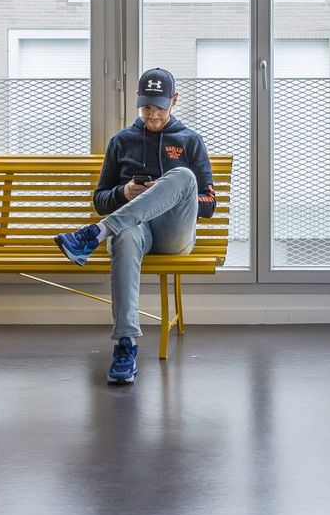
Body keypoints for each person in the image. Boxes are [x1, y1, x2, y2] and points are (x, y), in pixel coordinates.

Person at [53, 67, 216, 386]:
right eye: (146, 107)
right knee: (124, 235)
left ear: (174, 101)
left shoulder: (190, 141)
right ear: (138, 100)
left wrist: (168, 193)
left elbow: (209, 203)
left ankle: (95, 234)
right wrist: (124, 193)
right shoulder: (121, 141)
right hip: (136, 232)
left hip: (173, 233)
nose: (152, 114)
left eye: (159, 107)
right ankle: (125, 345)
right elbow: (100, 199)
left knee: (183, 177)